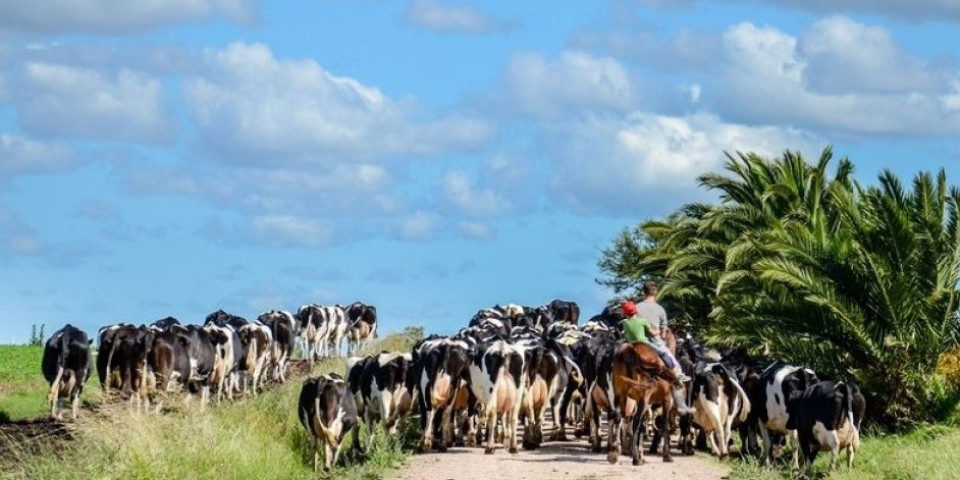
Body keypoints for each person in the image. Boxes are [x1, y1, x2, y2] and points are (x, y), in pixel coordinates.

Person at [620, 299, 695, 415]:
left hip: (632, 347)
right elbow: (653, 333)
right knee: (665, 354)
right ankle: (677, 374)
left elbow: (626, 334)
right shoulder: (642, 321)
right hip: (644, 345)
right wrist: (657, 331)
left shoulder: (624, 323)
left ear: (625, 313)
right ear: (635, 311)